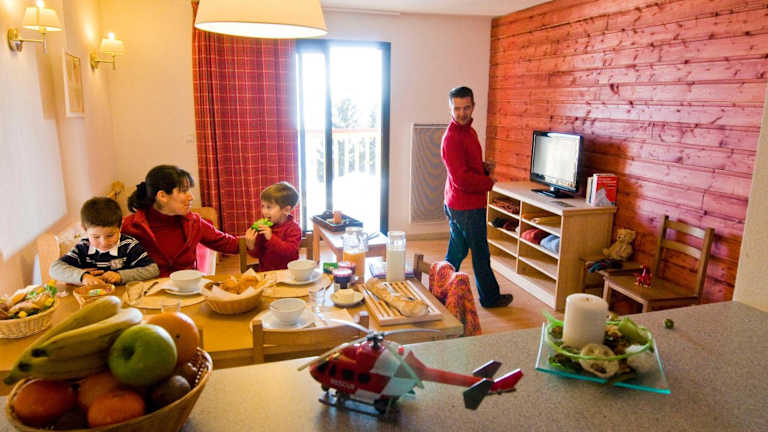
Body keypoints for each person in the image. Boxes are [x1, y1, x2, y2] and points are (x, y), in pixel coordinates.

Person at [441, 86, 513, 308]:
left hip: (458, 203)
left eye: (466, 107)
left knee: (457, 250)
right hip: (466, 207)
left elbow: (466, 167)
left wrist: (482, 168)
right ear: (450, 109)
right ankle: (490, 298)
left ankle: (440, 289)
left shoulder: (469, 132)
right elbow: (462, 179)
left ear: (473, 106)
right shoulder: (452, 138)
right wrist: (488, 182)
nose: (462, 113)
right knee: (480, 253)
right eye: (457, 108)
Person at [122, 165, 240, 276]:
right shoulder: (129, 226)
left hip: (188, 288)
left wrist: (250, 240)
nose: (191, 197)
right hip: (149, 289)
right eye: (184, 191)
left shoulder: (194, 222)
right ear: (162, 196)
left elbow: (228, 243)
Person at [50, 197, 159, 285]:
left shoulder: (129, 246)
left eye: (110, 235)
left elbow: (153, 270)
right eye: (96, 237)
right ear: (84, 229)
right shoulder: (83, 247)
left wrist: (121, 275)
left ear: (120, 226)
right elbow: (54, 268)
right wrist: (82, 276)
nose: (104, 242)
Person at [245, 182, 302, 271]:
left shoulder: (294, 229)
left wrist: (271, 238)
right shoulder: (264, 228)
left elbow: (290, 253)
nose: (264, 211)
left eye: (269, 207)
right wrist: (251, 246)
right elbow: (258, 254)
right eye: (263, 206)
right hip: (266, 273)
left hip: (288, 273)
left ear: (286, 210)